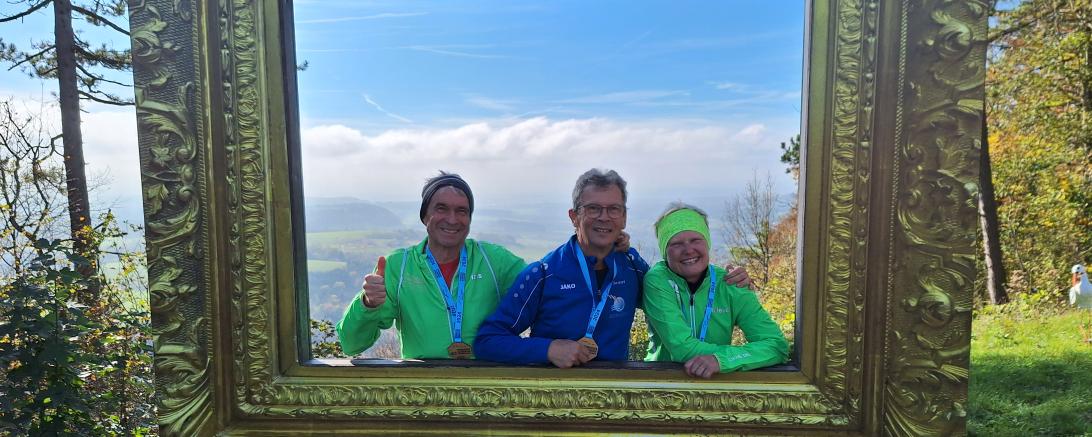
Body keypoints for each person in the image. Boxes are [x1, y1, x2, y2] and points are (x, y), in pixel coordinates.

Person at [473, 169, 755, 367]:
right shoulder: (544, 273)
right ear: (574, 216)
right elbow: (488, 340)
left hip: (616, 400)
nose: (604, 217)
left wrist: (728, 282)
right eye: (593, 208)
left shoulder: (632, 268)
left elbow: (682, 288)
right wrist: (547, 349)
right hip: (552, 399)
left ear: (624, 218)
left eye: (613, 209)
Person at [336, 172, 527, 359]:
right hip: (423, 387)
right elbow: (351, 345)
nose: (452, 219)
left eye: (462, 211)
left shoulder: (494, 260)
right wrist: (368, 304)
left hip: (486, 387)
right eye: (441, 209)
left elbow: (544, 286)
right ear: (425, 216)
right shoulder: (398, 266)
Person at [642, 202, 789, 378]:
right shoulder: (658, 280)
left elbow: (776, 345)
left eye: (696, 240)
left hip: (717, 385)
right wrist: (730, 358)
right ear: (665, 252)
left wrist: (720, 360)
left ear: (707, 243)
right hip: (660, 383)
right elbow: (682, 348)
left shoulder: (730, 283)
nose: (688, 250)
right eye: (676, 243)